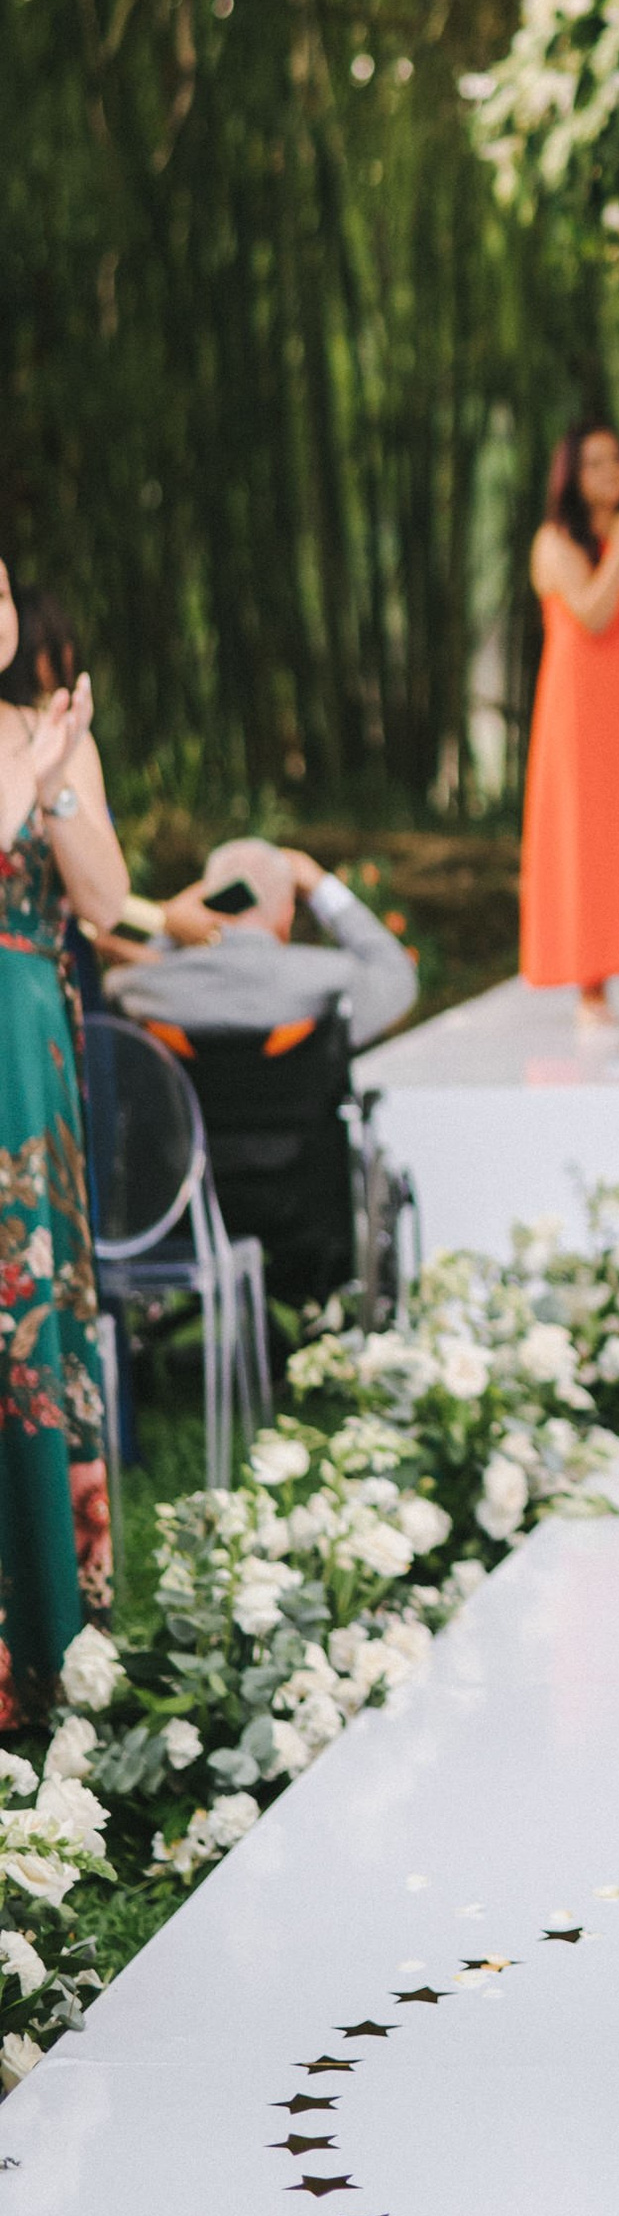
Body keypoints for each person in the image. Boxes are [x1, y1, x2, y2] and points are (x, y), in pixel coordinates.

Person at [0, 563, 131, 1730]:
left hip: (28, 1053)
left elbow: (107, 900)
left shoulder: (47, 734)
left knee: (33, 1318)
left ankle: (54, 1652)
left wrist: (59, 784)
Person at [518, 417, 619, 1029]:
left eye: (617, 460)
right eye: (594, 463)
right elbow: (594, 613)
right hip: (583, 714)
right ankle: (591, 986)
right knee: (588, 840)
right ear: (571, 476)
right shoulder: (556, 541)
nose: (610, 473)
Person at [111, 837, 418, 1050]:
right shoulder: (328, 983)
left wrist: (170, 920)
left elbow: (121, 980)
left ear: (208, 902)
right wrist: (319, 884)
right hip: (305, 1143)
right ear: (288, 914)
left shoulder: (137, 989)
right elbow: (399, 977)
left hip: (189, 1142)